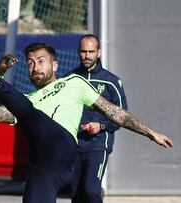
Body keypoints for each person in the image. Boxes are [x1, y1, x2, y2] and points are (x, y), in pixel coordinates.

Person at [0, 41, 173, 203]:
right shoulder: (29, 98)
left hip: (62, 146)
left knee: (31, 114)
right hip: (42, 166)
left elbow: (114, 112)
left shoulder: (74, 83)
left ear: (55, 64)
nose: (35, 67)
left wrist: (150, 132)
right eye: (30, 63)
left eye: (41, 61)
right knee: (28, 110)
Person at [66, 34, 127, 203]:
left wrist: (101, 125)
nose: (87, 56)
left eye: (91, 51)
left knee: (91, 190)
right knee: (75, 193)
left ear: (99, 52)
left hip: (98, 145)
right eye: (83, 51)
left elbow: (122, 116)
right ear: (78, 52)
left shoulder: (112, 81)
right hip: (74, 145)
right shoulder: (69, 79)